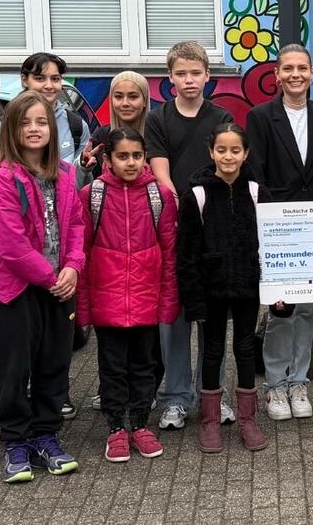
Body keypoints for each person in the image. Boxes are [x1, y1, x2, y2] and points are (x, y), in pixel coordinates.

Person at [0, 91, 87, 483]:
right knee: (14, 366)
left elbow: (76, 224)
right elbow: (10, 244)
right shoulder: (4, 179)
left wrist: (73, 266)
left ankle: (45, 434)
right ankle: (15, 440)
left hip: (60, 286)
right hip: (17, 289)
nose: (34, 129)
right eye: (25, 123)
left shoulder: (64, 172)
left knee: (54, 364)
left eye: (41, 122)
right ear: (11, 129)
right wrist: (50, 277)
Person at [146, 41, 236, 430]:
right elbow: (160, 170)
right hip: (174, 226)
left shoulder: (221, 116)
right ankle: (175, 397)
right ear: (170, 78)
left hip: (214, 228)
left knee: (214, 316)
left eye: (195, 72)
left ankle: (213, 394)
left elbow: (226, 166)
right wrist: (182, 206)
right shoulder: (158, 118)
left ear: (207, 76)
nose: (188, 80)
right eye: (180, 73)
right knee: (174, 317)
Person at [77, 128, 178, 463]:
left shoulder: (159, 196)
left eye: (137, 155)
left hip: (146, 300)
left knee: (145, 367)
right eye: (123, 156)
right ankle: (115, 429)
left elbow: (170, 252)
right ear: (108, 160)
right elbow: (83, 252)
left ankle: (139, 425)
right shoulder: (92, 195)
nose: (131, 162)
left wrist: (168, 302)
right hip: (108, 302)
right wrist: (84, 306)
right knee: (112, 368)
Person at [244, 44, 313, 421]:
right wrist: (269, 224)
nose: (295, 75)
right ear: (277, 76)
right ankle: (276, 386)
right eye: (288, 69)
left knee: (307, 309)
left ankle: (300, 381)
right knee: (282, 309)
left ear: (312, 73)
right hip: (280, 225)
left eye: (302, 68)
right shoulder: (261, 117)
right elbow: (257, 173)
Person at [177, 123, 268, 453]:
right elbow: (185, 254)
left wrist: (276, 291)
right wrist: (194, 300)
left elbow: (273, 244)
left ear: (245, 154)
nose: (228, 156)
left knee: (245, 350)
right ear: (210, 151)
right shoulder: (197, 195)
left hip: (247, 286)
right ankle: (211, 421)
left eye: (235, 150)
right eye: (221, 149)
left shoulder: (257, 192)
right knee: (212, 352)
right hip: (210, 289)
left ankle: (248, 420)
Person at [0, 53, 89, 173]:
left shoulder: (77, 126)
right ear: (24, 80)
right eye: (40, 78)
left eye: (55, 79)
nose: (49, 85)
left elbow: (79, 183)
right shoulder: (3, 125)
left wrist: (85, 169)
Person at [82, 70, 150, 181]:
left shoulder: (157, 135)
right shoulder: (102, 136)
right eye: (118, 97)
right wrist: (84, 169)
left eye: (133, 97)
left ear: (145, 100)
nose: (125, 103)